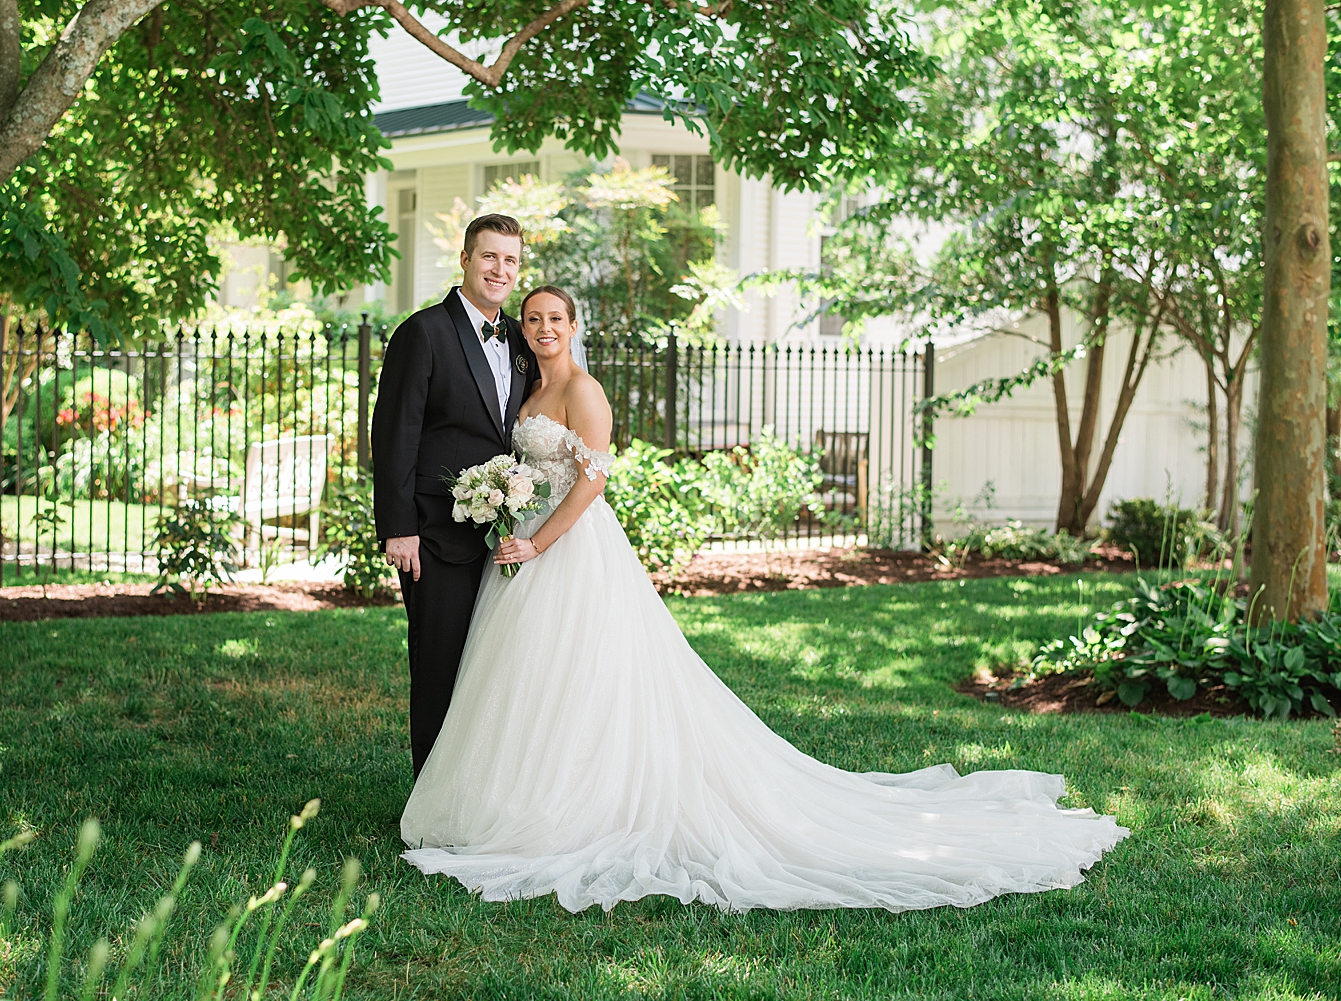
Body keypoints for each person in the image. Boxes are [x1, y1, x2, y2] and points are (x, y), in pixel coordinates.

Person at [399, 285, 1129, 914]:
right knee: (529, 680)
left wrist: (539, 541)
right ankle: (519, 797)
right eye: (534, 319)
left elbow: (592, 483)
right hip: (522, 544)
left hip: (566, 547)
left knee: (587, 673)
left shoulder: (583, 390)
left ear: (575, 326)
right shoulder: (528, 387)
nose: (544, 328)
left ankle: (576, 804)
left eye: (555, 318)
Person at [371, 213, 540, 778]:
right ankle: (430, 800)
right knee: (439, 666)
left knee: (491, 672)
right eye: (489, 256)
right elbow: (395, 433)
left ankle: (478, 791)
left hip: (500, 537)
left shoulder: (521, 339)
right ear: (465, 259)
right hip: (434, 534)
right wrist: (398, 528)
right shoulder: (423, 333)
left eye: (510, 260)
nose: (500, 269)